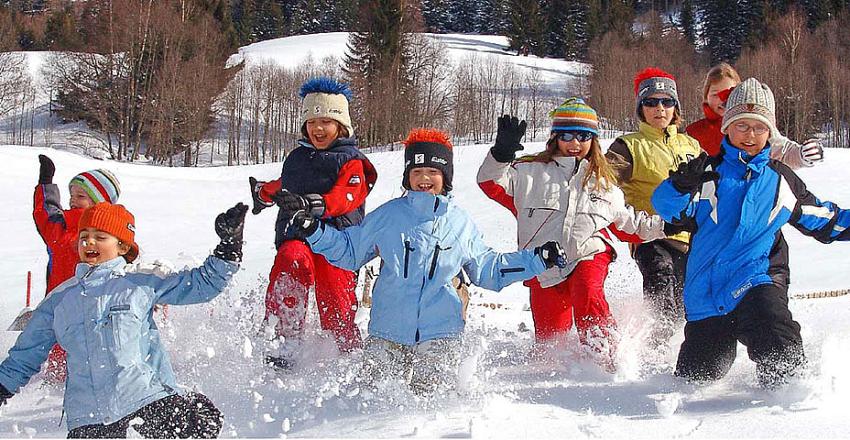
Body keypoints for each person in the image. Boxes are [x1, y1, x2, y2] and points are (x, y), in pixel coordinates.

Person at [286, 128, 567, 395]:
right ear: (407, 176)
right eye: (416, 171)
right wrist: (314, 230)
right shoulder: (388, 216)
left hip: (441, 334)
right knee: (373, 401)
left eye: (433, 171)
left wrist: (536, 259)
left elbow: (488, 270)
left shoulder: (458, 223)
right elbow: (349, 251)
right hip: (388, 331)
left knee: (431, 405)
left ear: (446, 176)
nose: (424, 178)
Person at [652, 78, 850, 388]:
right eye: (742, 125)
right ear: (727, 127)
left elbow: (825, 219)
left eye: (759, 127)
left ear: (770, 132)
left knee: (777, 337)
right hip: (706, 293)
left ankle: (790, 396)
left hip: (755, 281)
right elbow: (669, 211)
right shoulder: (707, 175)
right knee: (696, 380)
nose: (750, 135)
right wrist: (678, 185)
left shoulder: (779, 179)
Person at [0, 202, 247, 437]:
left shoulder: (140, 281)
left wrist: (229, 247)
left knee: (202, 421)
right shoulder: (60, 300)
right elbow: (25, 355)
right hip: (88, 421)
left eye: (100, 236)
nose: (89, 242)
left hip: (146, 402)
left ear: (123, 247)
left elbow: (202, 285)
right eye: (84, 236)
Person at [477, 99, 668, 371]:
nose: (575, 143)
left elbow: (631, 226)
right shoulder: (529, 173)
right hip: (543, 266)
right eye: (566, 135)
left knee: (587, 292)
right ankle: (564, 373)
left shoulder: (603, 184)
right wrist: (501, 154)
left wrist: (669, 225)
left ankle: (606, 360)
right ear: (555, 137)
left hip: (588, 254)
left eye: (583, 136)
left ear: (593, 140)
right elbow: (490, 182)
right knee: (550, 347)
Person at [248, 77, 377, 368]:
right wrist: (263, 193)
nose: (318, 128)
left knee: (335, 288)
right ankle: (283, 340)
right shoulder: (297, 159)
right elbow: (286, 185)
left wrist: (314, 204)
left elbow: (348, 195)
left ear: (341, 126)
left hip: (338, 241)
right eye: (312, 122)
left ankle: (343, 350)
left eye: (326, 122)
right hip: (298, 234)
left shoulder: (351, 161)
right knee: (290, 260)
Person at [604, 67, 702, 357]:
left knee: (685, 302)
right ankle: (652, 349)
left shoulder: (691, 145)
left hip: (691, 237)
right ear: (641, 108)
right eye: (651, 102)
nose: (660, 108)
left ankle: (674, 351)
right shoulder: (628, 145)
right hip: (651, 234)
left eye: (667, 101)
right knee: (661, 281)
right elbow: (601, 181)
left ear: (676, 107)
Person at [32, 154, 121, 383]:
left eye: (80, 196)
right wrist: (46, 182)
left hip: (95, 307)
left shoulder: (110, 234)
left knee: (89, 350)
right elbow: (45, 212)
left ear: (100, 202)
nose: (72, 200)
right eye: (71, 195)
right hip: (58, 305)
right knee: (59, 353)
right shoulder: (61, 227)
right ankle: (55, 388)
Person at [686, 62, 824, 168]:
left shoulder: (757, 126)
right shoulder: (694, 132)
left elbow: (781, 150)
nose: (723, 100)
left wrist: (800, 154)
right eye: (716, 94)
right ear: (706, 96)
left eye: (729, 93)